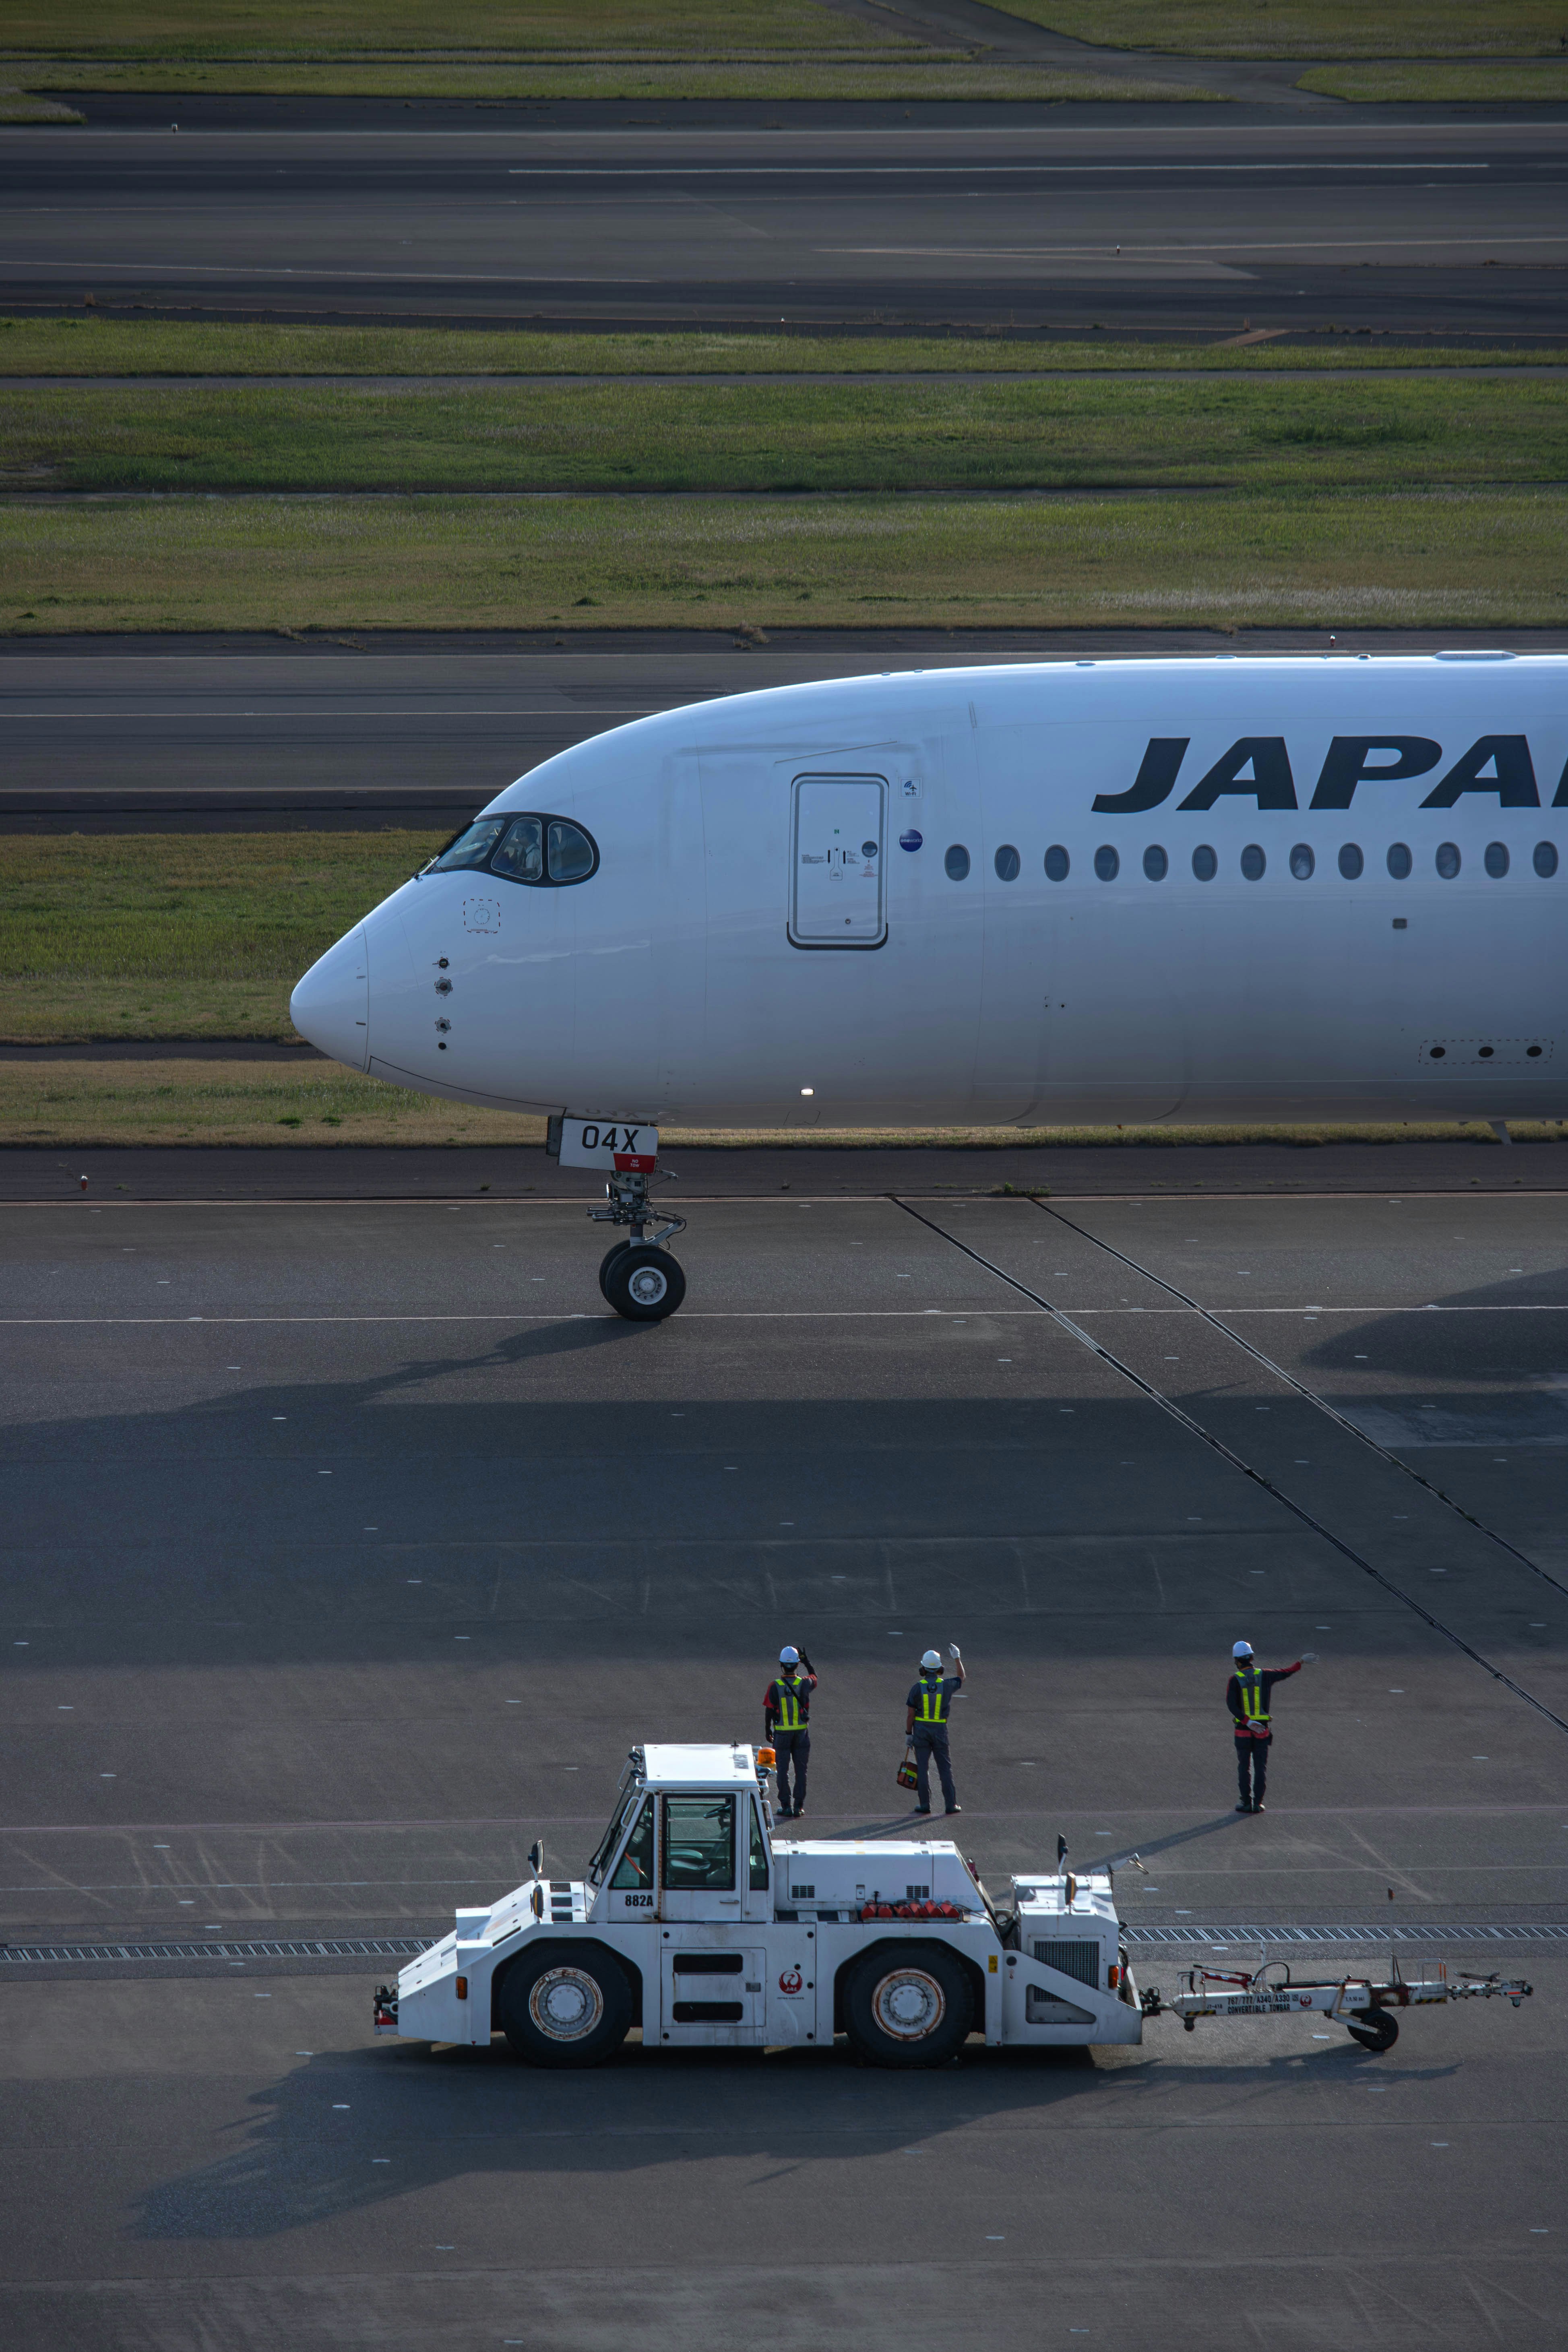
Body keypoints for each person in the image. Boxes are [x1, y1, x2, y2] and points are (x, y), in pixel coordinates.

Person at [1228, 1639, 1303, 1813]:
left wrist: (1248, 1722)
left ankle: (1246, 1802)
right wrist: (1301, 1662)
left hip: (1243, 1732)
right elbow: (1287, 1672)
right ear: (1252, 1657)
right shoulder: (1265, 1675)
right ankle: (1258, 1804)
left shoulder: (1234, 1680)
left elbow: (1231, 1705)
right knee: (1260, 1767)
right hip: (1262, 1731)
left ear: (1237, 1660)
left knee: (1244, 1767)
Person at [905, 1644, 965, 1817]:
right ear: (940, 1669)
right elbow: (962, 1677)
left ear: (923, 1669)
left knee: (923, 1769)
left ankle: (925, 1805)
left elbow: (910, 1715)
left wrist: (909, 1735)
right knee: (945, 1768)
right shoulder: (947, 1685)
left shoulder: (917, 1688)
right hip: (940, 1731)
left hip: (921, 1732)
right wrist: (957, 1658)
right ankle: (951, 1804)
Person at [763, 1645, 817, 1819]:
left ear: (781, 1665)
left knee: (783, 1771)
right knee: (802, 1771)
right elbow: (815, 1677)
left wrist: (767, 1729)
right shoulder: (804, 1683)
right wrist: (807, 1661)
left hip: (782, 1734)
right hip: (801, 1734)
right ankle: (799, 1806)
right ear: (797, 1665)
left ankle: (786, 1806)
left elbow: (769, 1710)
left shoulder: (775, 1686)